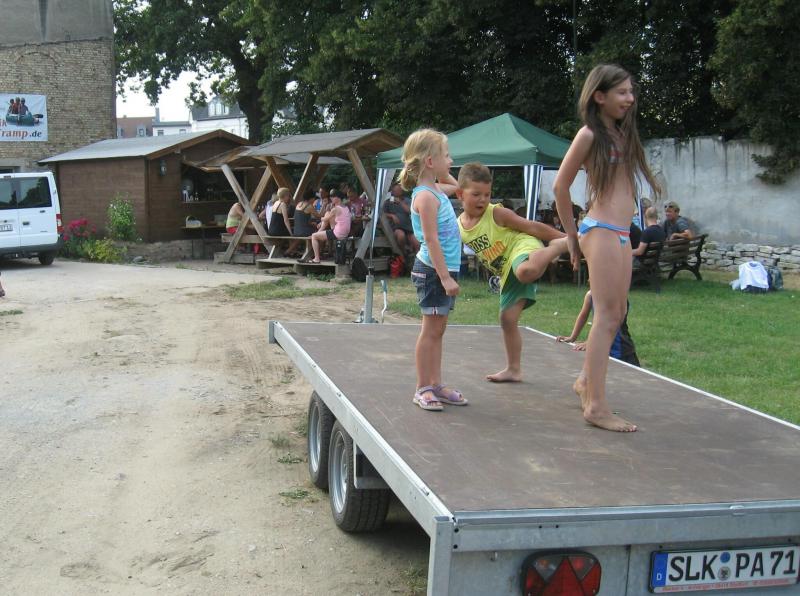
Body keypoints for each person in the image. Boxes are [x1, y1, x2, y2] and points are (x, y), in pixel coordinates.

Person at [553, 63, 660, 432]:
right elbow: (560, 186)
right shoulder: (589, 135)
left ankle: (586, 382)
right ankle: (596, 406)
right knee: (607, 316)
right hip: (600, 230)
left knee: (618, 312)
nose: (630, 98)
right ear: (599, 96)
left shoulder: (621, 134)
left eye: (631, 92)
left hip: (620, 233)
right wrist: (571, 235)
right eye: (622, 92)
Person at [457, 162, 568, 382]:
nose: (482, 200)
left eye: (487, 194)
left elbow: (531, 227)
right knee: (507, 319)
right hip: (506, 270)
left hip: (522, 246)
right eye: (476, 194)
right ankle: (513, 369)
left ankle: (558, 247)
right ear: (460, 194)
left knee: (525, 271)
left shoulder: (497, 213)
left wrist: (567, 238)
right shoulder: (458, 226)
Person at [401, 128, 467, 411]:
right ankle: (422, 388)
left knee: (438, 331)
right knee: (430, 331)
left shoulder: (437, 191)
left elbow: (459, 187)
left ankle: (436, 384)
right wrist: (445, 277)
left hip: (443, 269)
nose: (451, 161)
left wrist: (442, 171)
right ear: (430, 161)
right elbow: (431, 240)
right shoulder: (426, 197)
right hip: (433, 272)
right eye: (446, 155)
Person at [556, 290, 640, 367]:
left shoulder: (617, 296)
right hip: (601, 350)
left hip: (621, 352)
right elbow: (583, 316)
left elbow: (610, 323)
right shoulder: (590, 295)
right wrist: (572, 337)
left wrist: (591, 342)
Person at [304, 189, 350, 264]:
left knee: (314, 236)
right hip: (344, 232)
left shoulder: (335, 209)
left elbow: (324, 219)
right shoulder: (345, 207)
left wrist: (320, 220)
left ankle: (316, 258)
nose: (331, 198)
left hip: (338, 233)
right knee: (328, 213)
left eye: (333, 196)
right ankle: (320, 231)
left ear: (338, 198)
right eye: (331, 196)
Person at [384, 182, 420, 256]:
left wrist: (400, 202)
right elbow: (382, 214)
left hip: (408, 228)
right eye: (394, 191)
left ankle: (417, 260)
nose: (395, 192)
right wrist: (391, 216)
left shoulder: (407, 200)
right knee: (401, 235)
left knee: (417, 243)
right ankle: (404, 253)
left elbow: (410, 211)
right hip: (396, 228)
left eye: (398, 190)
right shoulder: (388, 202)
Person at [287, 189, 318, 256]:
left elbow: (302, 220)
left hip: (296, 230)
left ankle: (287, 252)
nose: (314, 200)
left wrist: (311, 223)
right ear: (311, 198)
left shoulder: (299, 204)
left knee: (300, 237)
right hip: (304, 231)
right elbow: (319, 216)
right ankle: (316, 253)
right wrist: (325, 207)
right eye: (314, 198)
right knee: (319, 232)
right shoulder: (309, 206)